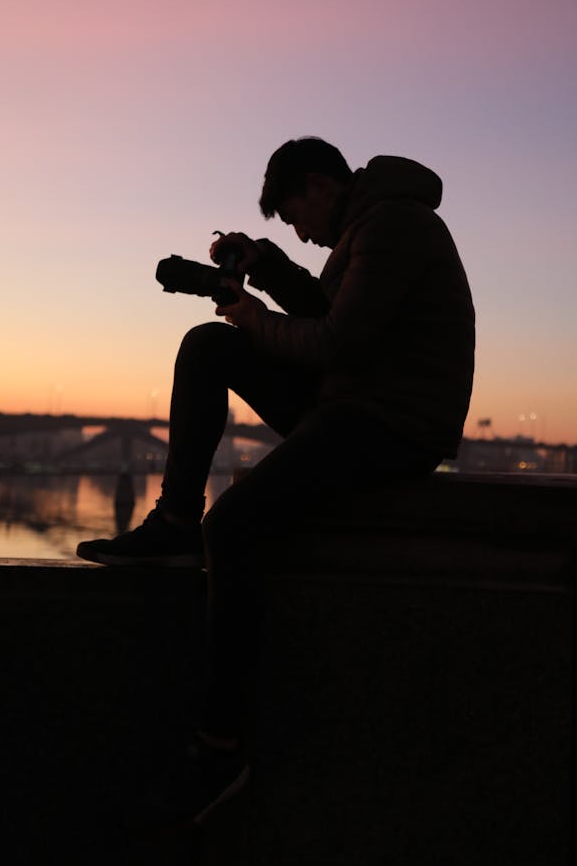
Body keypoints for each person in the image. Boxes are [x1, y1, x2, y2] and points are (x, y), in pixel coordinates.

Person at [77, 137, 475, 827]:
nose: (301, 231)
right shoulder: (369, 223)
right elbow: (329, 307)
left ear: (321, 185)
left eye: (296, 218)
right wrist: (267, 268)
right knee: (209, 346)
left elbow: (332, 342)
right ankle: (174, 521)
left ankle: (221, 748)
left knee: (232, 526)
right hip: (354, 402)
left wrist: (253, 315)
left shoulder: (395, 225)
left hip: (392, 425)